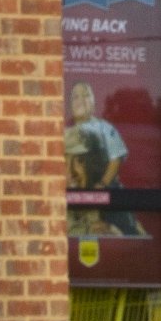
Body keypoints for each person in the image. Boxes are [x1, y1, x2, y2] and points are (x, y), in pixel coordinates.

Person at [65, 81, 144, 238]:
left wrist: (103, 184)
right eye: (76, 97)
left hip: (107, 190)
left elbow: (116, 158)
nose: (81, 100)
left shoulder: (105, 128)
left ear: (94, 103)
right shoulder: (67, 133)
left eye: (86, 95)